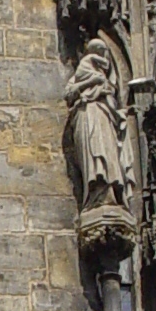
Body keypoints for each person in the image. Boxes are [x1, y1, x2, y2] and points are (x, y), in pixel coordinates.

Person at [64, 37, 135, 210]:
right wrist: (92, 82)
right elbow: (69, 93)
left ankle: (110, 195)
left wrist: (120, 115)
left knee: (108, 156)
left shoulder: (107, 82)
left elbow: (113, 104)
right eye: (99, 54)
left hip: (104, 119)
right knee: (93, 155)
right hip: (86, 116)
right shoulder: (81, 75)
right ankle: (96, 196)